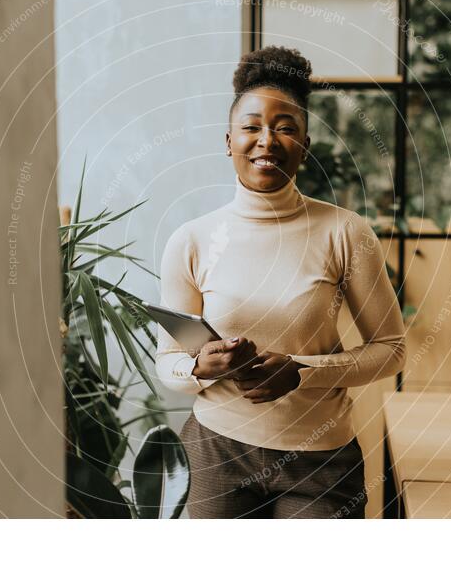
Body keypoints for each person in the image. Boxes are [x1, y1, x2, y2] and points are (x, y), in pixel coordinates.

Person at [155, 45, 406, 519]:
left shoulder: (345, 232)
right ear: (228, 141)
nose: (266, 140)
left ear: (305, 145)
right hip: (215, 454)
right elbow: (168, 363)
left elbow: (392, 349)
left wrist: (303, 370)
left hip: (321, 459)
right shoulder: (191, 240)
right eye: (250, 127)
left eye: (285, 128)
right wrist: (198, 369)